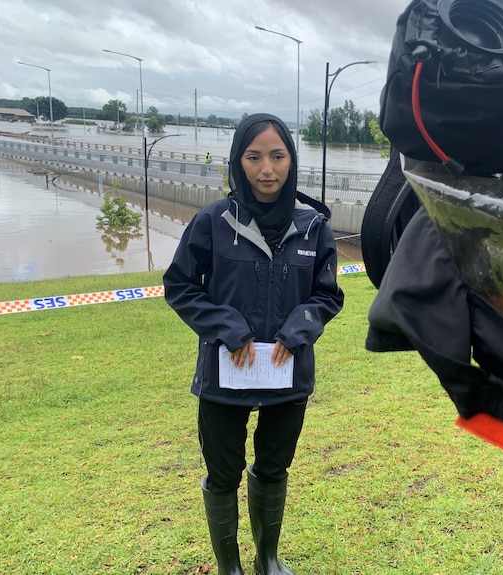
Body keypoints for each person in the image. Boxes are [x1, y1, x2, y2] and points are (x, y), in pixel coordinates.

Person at [164, 113, 344, 575]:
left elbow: (327, 295)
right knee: (223, 474)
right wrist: (228, 325)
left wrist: (298, 327)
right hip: (226, 373)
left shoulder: (314, 227)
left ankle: (267, 558)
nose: (267, 168)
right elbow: (181, 286)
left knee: (272, 469)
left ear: (291, 162)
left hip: (287, 375)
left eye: (278, 156)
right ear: (238, 162)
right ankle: (230, 567)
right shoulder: (212, 221)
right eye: (254, 156)